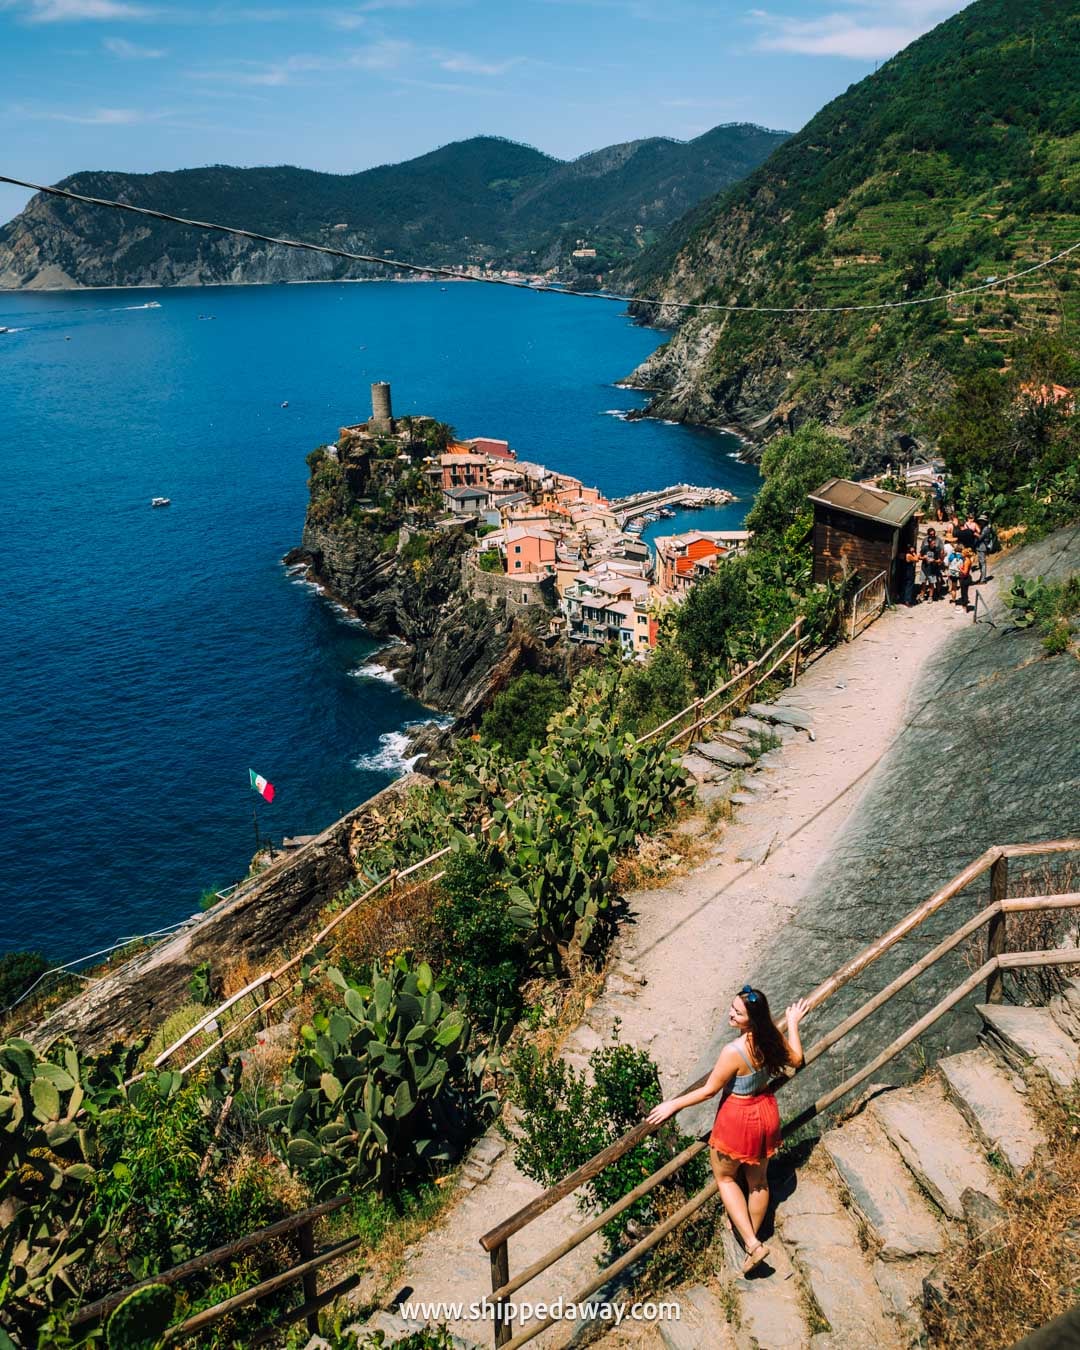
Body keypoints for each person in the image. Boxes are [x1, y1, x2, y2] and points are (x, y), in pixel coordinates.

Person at [646, 987, 809, 1274]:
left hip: (739, 1117)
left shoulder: (733, 1051)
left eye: (737, 1012)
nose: (730, 1014)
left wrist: (673, 1105)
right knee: (758, 1181)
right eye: (732, 1008)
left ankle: (752, 1244)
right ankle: (752, 1238)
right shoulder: (770, 1035)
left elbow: (709, 1091)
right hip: (765, 1110)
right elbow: (796, 1059)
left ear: (751, 1019)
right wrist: (793, 1022)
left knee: (725, 1178)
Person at [919, 528, 943, 601]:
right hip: (924, 568)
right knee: (923, 582)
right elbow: (919, 556)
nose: (934, 544)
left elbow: (940, 558)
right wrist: (924, 557)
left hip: (933, 569)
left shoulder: (937, 548)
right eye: (933, 543)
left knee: (932, 583)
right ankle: (922, 595)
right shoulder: (925, 546)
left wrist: (935, 561)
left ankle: (931, 596)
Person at [899, 539, 919, 606]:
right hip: (909, 571)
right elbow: (916, 559)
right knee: (909, 585)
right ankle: (907, 600)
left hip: (903, 570)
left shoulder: (902, 554)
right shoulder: (909, 555)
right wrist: (913, 553)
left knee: (904, 584)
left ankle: (902, 598)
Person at [976, 516, 994, 583]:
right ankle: (982, 577)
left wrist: (975, 534)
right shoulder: (985, 528)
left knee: (982, 563)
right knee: (981, 563)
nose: (980, 522)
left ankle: (983, 579)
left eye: (982, 521)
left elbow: (980, 538)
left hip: (982, 547)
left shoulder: (985, 529)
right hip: (982, 547)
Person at [946, 539, 963, 603]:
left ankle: (953, 599)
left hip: (953, 572)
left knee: (954, 588)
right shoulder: (962, 556)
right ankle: (963, 598)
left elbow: (949, 563)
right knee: (962, 586)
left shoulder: (952, 555)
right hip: (960, 572)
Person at [958, 547, 975, 611]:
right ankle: (964, 606)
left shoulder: (967, 561)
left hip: (965, 578)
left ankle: (965, 607)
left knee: (964, 592)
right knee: (963, 592)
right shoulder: (966, 559)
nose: (961, 554)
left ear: (965, 554)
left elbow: (965, 572)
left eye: (962, 553)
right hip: (964, 578)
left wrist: (960, 568)